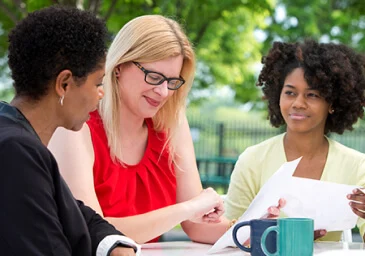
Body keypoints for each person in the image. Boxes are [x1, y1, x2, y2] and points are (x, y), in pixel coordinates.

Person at [49, 14, 284, 244]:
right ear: (119, 66)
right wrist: (187, 209)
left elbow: (197, 225)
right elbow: (91, 232)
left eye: (172, 82)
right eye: (153, 77)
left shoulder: (171, 122)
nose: (163, 92)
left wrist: (252, 227)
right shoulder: (75, 127)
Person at [0, 6, 140, 255]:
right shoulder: (16, 150)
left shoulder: (14, 133)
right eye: (98, 82)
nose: (102, 92)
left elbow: (69, 209)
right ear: (64, 83)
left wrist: (114, 245)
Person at [224, 39, 365, 242]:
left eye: (312, 95)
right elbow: (230, 236)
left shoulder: (357, 166)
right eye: (290, 92)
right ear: (277, 95)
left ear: (332, 103)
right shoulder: (253, 160)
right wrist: (283, 238)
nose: (298, 103)